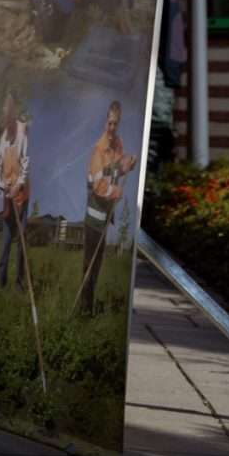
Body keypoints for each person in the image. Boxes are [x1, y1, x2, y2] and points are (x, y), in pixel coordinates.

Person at [75, 100, 140, 316]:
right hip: (94, 218)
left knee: (98, 267)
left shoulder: (117, 145)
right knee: (89, 265)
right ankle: (84, 309)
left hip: (105, 218)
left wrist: (128, 164)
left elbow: (117, 170)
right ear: (105, 123)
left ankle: (89, 306)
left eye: (116, 123)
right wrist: (116, 192)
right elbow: (98, 185)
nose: (112, 128)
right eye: (110, 123)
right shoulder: (98, 151)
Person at [0, 93, 31, 292]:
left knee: (21, 242)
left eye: (8, 112)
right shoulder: (3, 138)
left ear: (13, 112)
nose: (6, 117)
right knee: (6, 241)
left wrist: (18, 185)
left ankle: (19, 283)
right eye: (3, 113)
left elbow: (25, 163)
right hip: (8, 197)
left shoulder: (22, 131)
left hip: (22, 195)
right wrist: (3, 186)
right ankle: (1, 283)